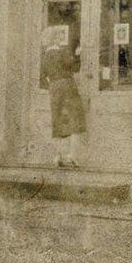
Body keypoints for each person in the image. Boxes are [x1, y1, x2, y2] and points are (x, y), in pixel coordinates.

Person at [40, 33, 87, 168]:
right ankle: (71, 155)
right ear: (55, 40)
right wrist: (77, 55)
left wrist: (52, 85)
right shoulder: (62, 52)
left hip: (54, 88)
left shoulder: (44, 56)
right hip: (67, 86)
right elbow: (74, 67)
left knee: (57, 121)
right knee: (75, 119)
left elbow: (42, 77)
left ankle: (57, 156)